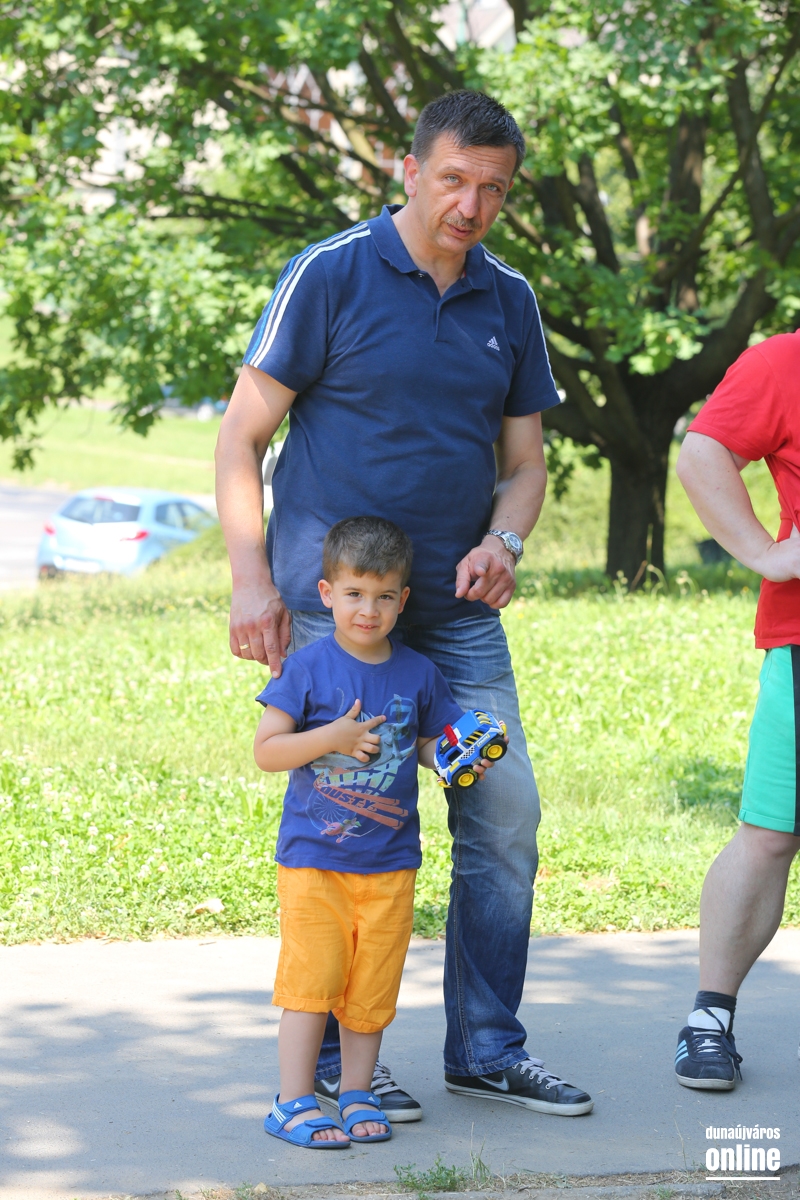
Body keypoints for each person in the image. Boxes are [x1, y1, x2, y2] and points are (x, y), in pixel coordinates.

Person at [216, 88, 594, 1119]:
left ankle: (485, 1047)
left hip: (455, 617)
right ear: (410, 168)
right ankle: (343, 1062)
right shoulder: (330, 273)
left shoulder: (508, 301)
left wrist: (504, 542)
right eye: (453, 180)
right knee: (350, 824)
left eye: (493, 190)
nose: (470, 206)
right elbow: (240, 437)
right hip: (342, 615)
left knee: (504, 813)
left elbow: (525, 463)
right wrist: (251, 581)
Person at [256, 516, 500, 1147]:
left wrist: (456, 753)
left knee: (371, 989)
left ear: (403, 600)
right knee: (312, 984)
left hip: (390, 864)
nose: (369, 609)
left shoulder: (418, 673)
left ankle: (357, 1092)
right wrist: (331, 737)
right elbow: (267, 750)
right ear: (327, 593)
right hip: (316, 861)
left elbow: (426, 745)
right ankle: (292, 1101)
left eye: (385, 596)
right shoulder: (307, 668)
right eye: (355, 593)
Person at [674, 329, 800, 1090]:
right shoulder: (785, 361)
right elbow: (703, 453)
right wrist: (764, 553)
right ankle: (708, 1020)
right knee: (770, 835)